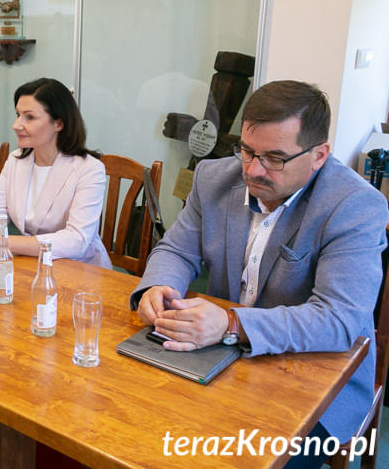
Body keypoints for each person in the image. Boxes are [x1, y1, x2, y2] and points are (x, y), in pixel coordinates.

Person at [130, 81, 388, 465]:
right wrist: (159, 286)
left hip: (316, 379)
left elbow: (339, 319)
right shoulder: (214, 178)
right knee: (135, 425)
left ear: (319, 155)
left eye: (275, 158)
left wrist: (231, 324)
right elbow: (176, 249)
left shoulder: (354, 205)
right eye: (248, 151)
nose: (253, 169)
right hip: (218, 358)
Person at [0, 78, 110, 267]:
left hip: (78, 268)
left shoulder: (89, 169)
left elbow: (76, 241)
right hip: (31, 263)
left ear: (59, 123)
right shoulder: (17, 160)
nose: (16, 124)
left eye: (29, 117)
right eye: (17, 115)